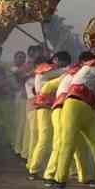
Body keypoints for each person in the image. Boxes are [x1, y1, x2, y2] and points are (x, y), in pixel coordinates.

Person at [52, 50, 95, 189]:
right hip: (74, 105)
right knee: (68, 144)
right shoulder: (94, 66)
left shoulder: (93, 69)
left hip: (88, 110)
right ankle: (59, 180)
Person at [43, 52, 94, 188]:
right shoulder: (75, 73)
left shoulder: (73, 73)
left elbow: (47, 87)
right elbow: (47, 86)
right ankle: (50, 175)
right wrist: (46, 100)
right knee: (60, 143)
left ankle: (84, 177)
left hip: (72, 111)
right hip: (61, 109)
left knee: (80, 145)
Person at [26, 50, 67, 180]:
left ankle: (38, 167)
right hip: (44, 108)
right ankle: (34, 169)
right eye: (62, 63)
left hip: (51, 107)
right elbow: (60, 74)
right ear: (55, 59)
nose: (61, 66)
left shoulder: (51, 71)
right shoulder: (44, 68)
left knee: (53, 139)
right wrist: (69, 69)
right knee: (44, 139)